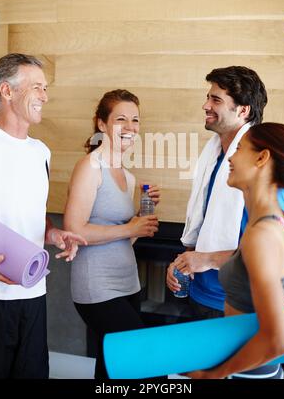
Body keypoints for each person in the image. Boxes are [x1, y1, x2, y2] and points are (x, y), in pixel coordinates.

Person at [166, 66, 284, 320]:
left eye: (216, 99)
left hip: (240, 303)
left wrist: (207, 260)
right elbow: (201, 226)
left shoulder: (266, 171)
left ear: (243, 111)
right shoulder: (212, 158)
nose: (205, 105)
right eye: (207, 97)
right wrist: (183, 262)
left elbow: (280, 250)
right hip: (200, 293)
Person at [0, 53, 87, 379]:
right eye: (36, 87)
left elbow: (34, 214)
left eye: (45, 88)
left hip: (33, 292)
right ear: (7, 92)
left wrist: (53, 234)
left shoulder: (41, 152)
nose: (45, 96)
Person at [63, 89, 160, 379]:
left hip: (127, 284)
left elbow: (124, 238)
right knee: (147, 361)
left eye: (135, 120)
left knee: (112, 365)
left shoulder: (127, 176)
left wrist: (140, 219)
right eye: (121, 119)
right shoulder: (90, 166)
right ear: (102, 124)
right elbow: (74, 230)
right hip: (97, 287)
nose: (130, 127)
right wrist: (130, 227)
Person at [186, 122, 284, 379]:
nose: (231, 156)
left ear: (261, 158)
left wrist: (216, 374)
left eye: (240, 148)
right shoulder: (270, 221)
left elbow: (279, 341)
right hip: (245, 365)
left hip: (249, 373)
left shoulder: (262, 235)